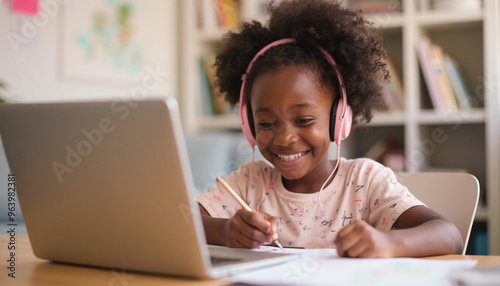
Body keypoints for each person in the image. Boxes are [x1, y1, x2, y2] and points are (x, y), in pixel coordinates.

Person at [196, 0, 463, 258]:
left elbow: (449, 236)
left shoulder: (365, 181)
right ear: (248, 123)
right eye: (266, 124)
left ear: (339, 118)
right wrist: (226, 229)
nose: (285, 138)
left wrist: (387, 242)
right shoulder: (249, 181)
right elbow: (181, 222)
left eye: (303, 120)